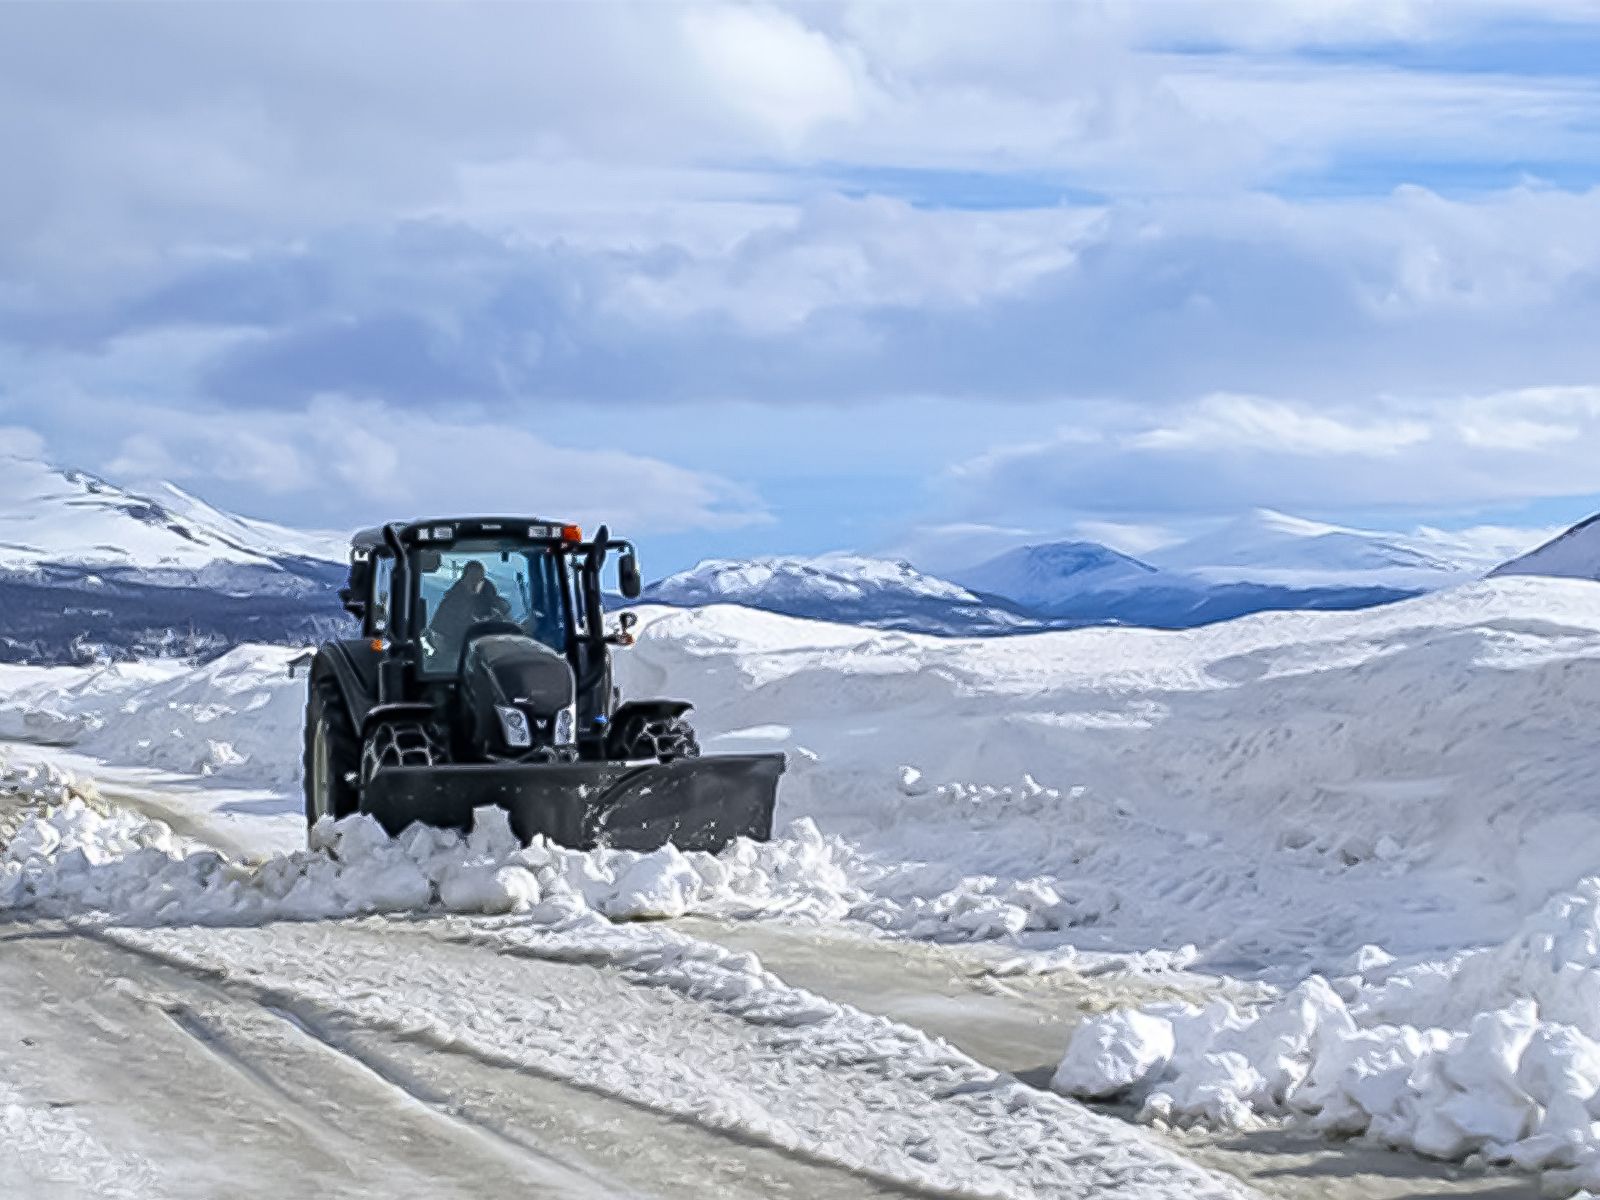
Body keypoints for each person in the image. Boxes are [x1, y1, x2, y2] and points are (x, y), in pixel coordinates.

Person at [427, 559, 512, 663]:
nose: (476, 582)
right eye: (472, 577)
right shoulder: (451, 602)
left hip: (487, 649)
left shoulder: (487, 592)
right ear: (465, 578)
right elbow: (439, 635)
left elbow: (500, 610)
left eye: (479, 579)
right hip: (456, 653)